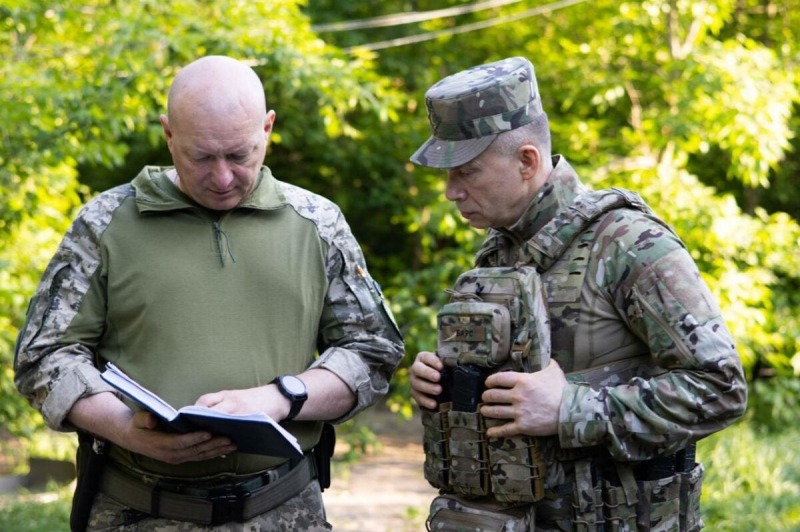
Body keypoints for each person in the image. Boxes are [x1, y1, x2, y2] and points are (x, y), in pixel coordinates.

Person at [14, 55, 404, 531]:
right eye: (201, 156)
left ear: (268, 127)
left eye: (240, 155)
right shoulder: (104, 224)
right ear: (168, 134)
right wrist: (126, 429)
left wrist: (282, 398)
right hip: (138, 511)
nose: (222, 178)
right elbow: (44, 354)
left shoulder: (317, 224)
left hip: (284, 510)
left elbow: (373, 352)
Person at [408, 56, 747, 530]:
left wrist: (571, 408)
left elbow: (721, 388)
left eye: (467, 172)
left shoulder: (630, 244)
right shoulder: (499, 254)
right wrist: (446, 385)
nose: (450, 192)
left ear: (526, 161)